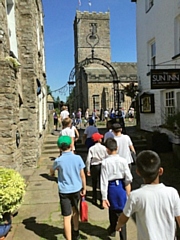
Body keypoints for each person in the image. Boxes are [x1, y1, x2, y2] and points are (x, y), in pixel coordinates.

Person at [116, 150, 180, 240]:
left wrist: (119, 225)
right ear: (160, 171)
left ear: (138, 172)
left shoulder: (135, 196)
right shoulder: (172, 193)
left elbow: (124, 217)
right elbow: (178, 217)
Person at [50, 136, 86, 240]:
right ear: (71, 145)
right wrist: (84, 188)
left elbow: (52, 171)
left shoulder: (59, 160)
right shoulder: (77, 158)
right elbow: (82, 175)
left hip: (64, 191)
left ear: (59, 148)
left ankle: (69, 238)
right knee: (75, 210)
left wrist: (52, 174)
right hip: (76, 188)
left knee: (66, 216)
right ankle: (76, 231)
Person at [101, 138, 133, 239]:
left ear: (107, 149)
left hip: (111, 188)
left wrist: (104, 197)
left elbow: (104, 180)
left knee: (112, 209)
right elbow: (129, 177)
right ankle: (119, 233)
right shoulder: (123, 161)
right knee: (122, 211)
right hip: (121, 187)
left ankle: (113, 229)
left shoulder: (105, 162)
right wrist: (128, 191)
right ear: (117, 148)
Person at [86, 132, 108, 207]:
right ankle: (102, 199)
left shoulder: (91, 148)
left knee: (94, 183)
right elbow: (107, 157)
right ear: (99, 140)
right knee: (102, 182)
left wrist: (88, 169)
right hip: (102, 165)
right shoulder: (104, 148)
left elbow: (88, 159)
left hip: (94, 166)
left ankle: (94, 198)